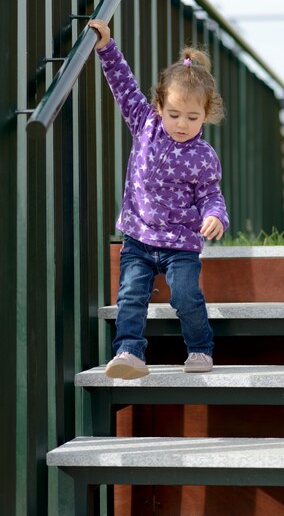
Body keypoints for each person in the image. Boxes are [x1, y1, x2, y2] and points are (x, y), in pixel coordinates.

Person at [89, 19, 229, 379]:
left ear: (207, 114)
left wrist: (216, 216)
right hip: (137, 236)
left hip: (180, 243)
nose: (182, 123)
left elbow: (211, 194)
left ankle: (199, 348)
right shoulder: (144, 124)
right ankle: (129, 352)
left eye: (193, 117)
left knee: (184, 295)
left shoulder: (203, 155)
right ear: (159, 106)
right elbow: (123, 86)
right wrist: (107, 47)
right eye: (174, 114)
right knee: (132, 294)